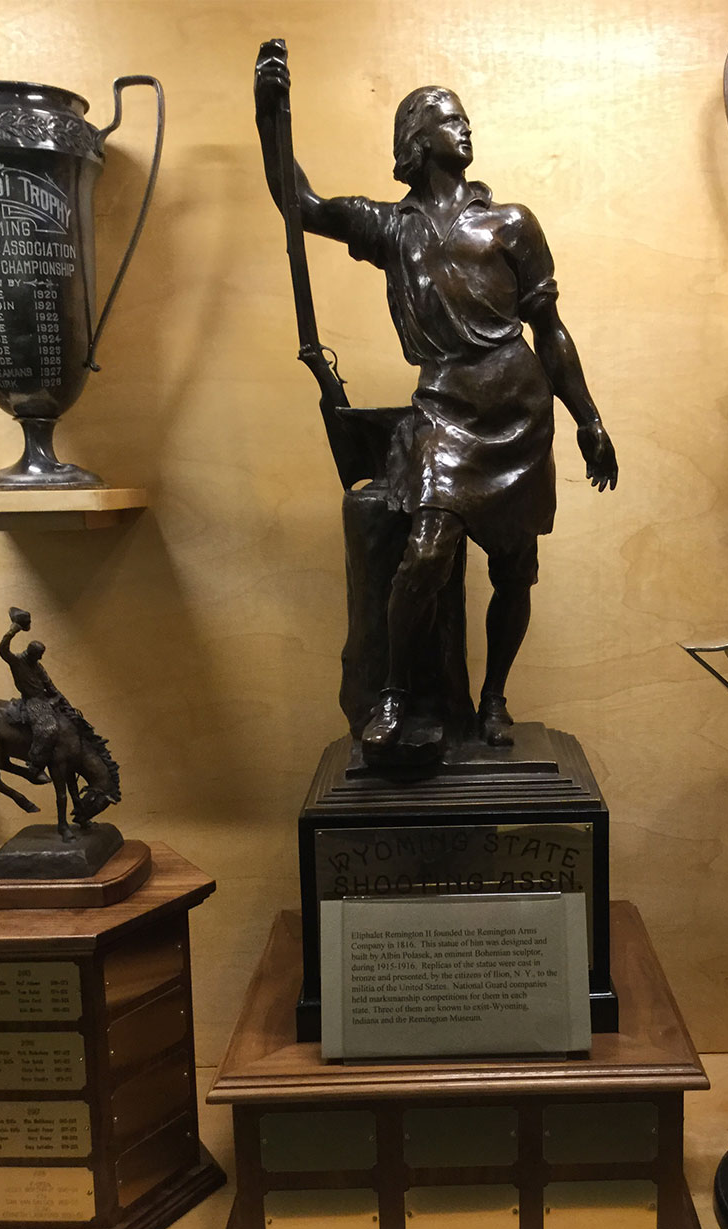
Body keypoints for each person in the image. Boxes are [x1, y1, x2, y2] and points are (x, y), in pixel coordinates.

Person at [255, 66, 617, 752]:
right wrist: (269, 114)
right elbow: (300, 204)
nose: (466, 126)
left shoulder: (512, 223)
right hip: (445, 408)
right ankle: (392, 692)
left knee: (514, 570)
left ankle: (494, 698)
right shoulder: (390, 227)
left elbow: (550, 330)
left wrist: (588, 420)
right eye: (450, 118)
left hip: (519, 408)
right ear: (417, 140)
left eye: (464, 117)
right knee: (425, 555)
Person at [0, 607, 69, 778]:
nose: (40, 658)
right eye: (39, 655)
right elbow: (3, 649)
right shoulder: (17, 662)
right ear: (31, 653)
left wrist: (62, 700)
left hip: (44, 698)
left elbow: (50, 685)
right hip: (32, 701)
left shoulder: (37, 666)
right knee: (48, 729)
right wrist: (13, 630)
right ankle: (35, 764)